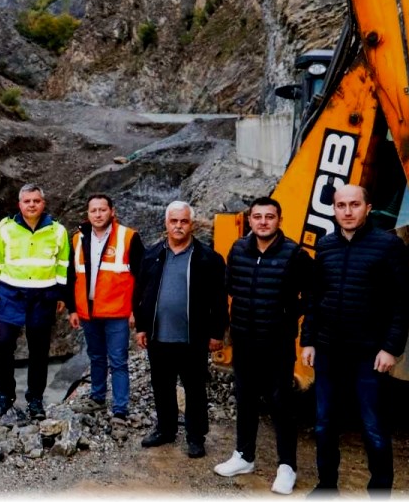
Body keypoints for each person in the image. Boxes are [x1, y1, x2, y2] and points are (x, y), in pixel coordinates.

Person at [301, 185, 409, 495]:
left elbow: (402, 302)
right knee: (324, 424)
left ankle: (379, 492)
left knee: (373, 427)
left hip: (368, 354)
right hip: (327, 350)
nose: (347, 211)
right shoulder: (324, 247)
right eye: (341, 205)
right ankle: (326, 487)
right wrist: (308, 340)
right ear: (333, 210)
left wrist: (390, 348)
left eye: (354, 205)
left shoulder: (387, 246)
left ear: (368, 207)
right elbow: (313, 298)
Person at [213, 197, 314, 495]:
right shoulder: (239, 249)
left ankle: (287, 467)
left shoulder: (294, 254)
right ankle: (244, 456)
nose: (263, 222)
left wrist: (289, 314)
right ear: (250, 220)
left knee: (280, 402)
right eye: (257, 217)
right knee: (244, 397)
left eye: (269, 217)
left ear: (279, 220)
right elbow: (229, 287)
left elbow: (312, 295)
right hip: (245, 339)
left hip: (277, 341)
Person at [134, 200, 227, 458]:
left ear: (191, 224)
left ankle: (196, 437)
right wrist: (141, 326)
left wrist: (217, 333)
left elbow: (219, 298)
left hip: (192, 338)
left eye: (183, 221)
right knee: (161, 385)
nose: (178, 226)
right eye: (174, 221)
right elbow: (140, 293)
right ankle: (165, 429)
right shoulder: (152, 255)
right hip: (158, 336)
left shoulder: (208, 258)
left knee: (195, 388)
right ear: (166, 223)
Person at [0, 183, 71, 421]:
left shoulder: (58, 231)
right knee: (2, 345)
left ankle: (35, 399)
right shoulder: (6, 229)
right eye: (27, 201)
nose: (32, 205)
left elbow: (63, 265)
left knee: (39, 351)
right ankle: (5, 394)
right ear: (19, 204)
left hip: (43, 298)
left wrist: (62, 294)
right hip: (10, 295)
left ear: (43, 203)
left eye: (36, 201)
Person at [65, 193, 144, 422]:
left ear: (112, 211)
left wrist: (135, 310)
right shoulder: (77, 239)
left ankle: (120, 408)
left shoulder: (129, 237)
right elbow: (72, 276)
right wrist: (72, 309)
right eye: (93, 211)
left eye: (102, 210)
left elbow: (142, 277)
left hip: (117, 312)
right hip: (88, 313)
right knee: (96, 357)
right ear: (87, 214)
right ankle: (97, 397)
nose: (98, 214)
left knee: (118, 360)